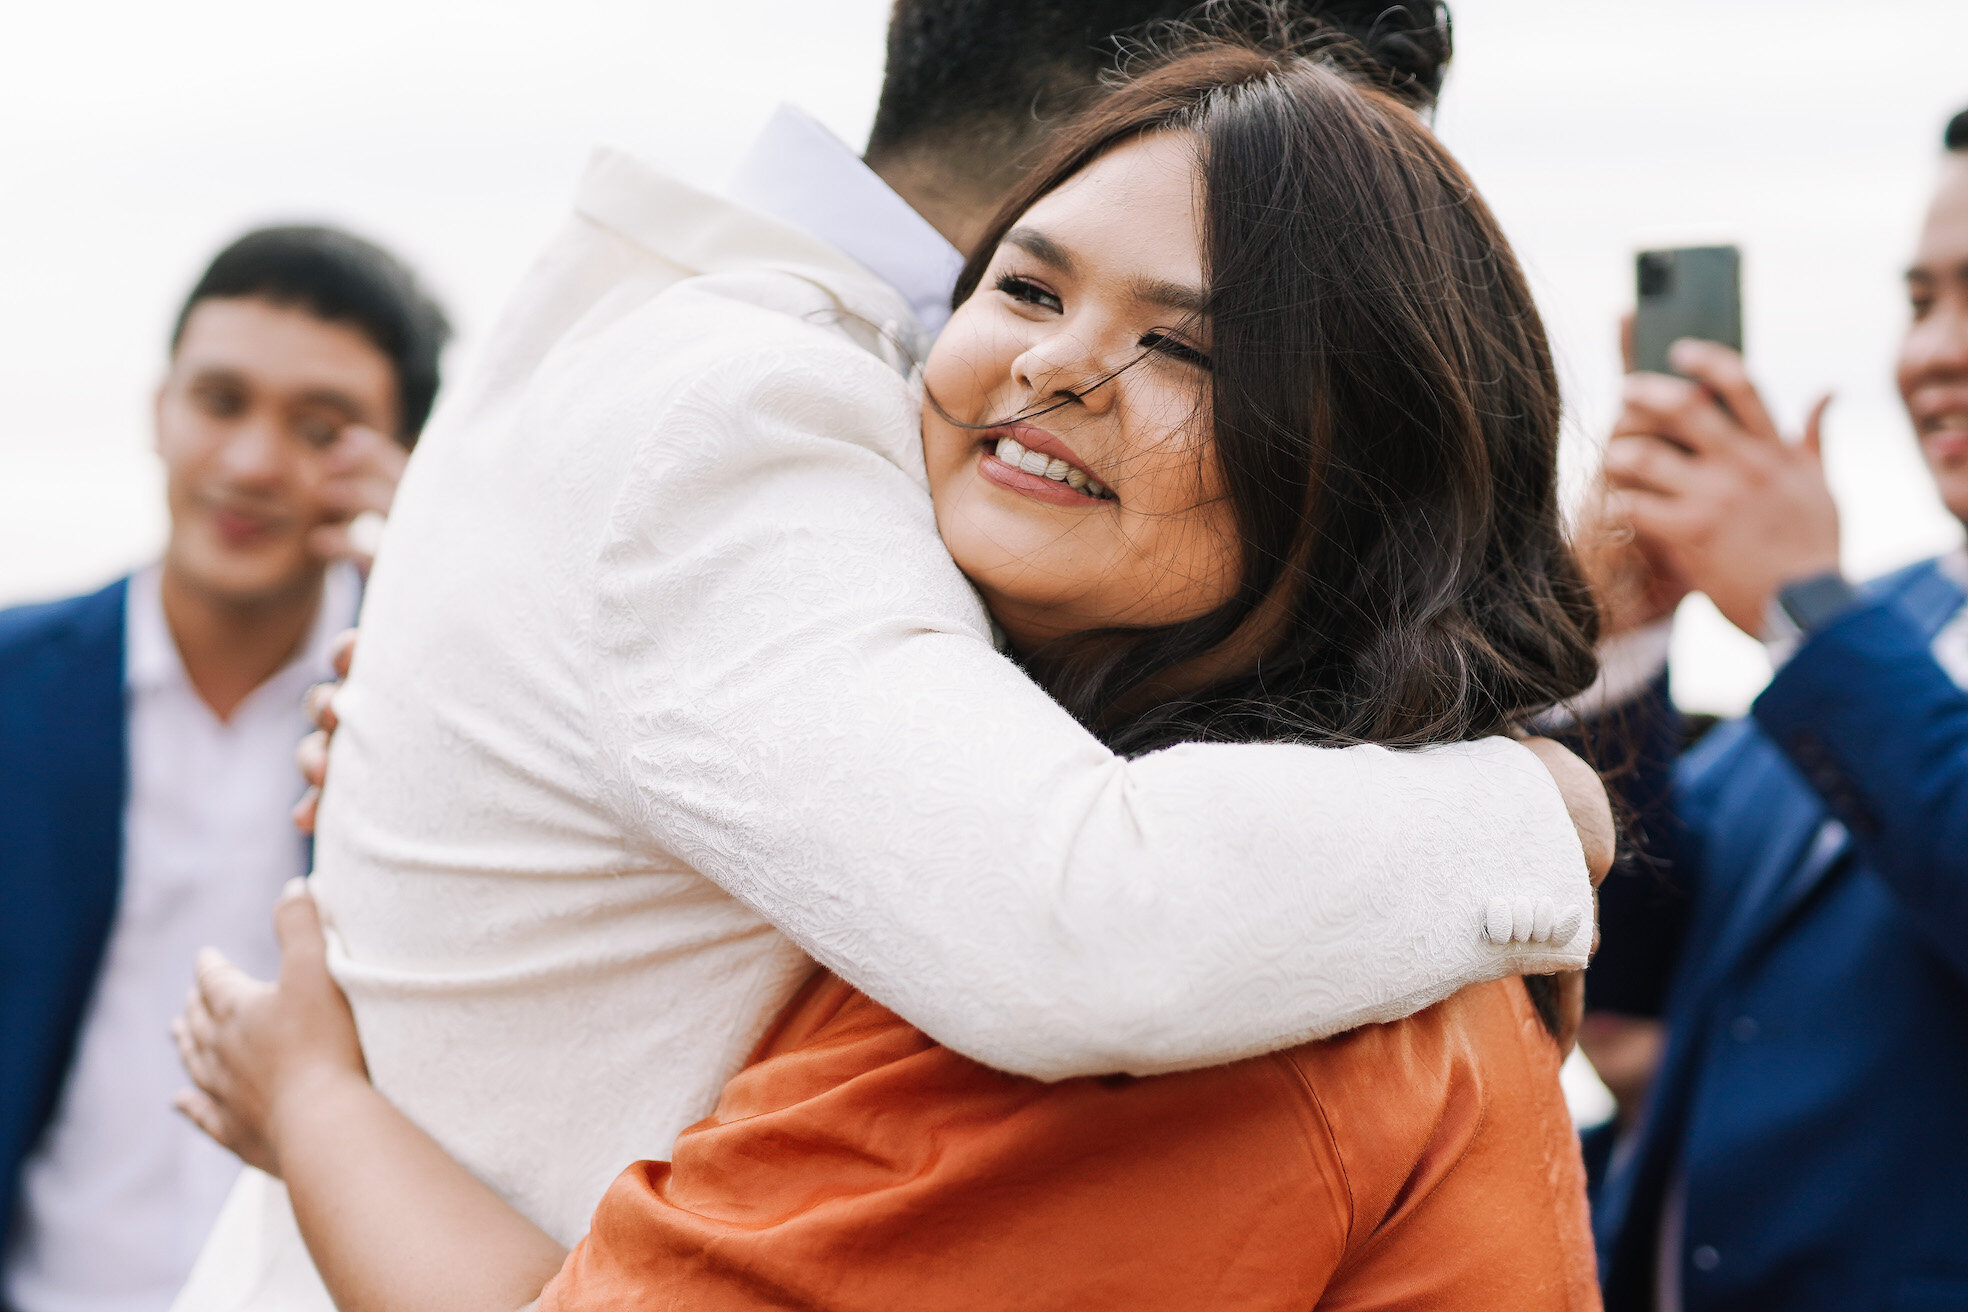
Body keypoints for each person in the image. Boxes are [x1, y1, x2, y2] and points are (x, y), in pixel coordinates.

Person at [174, 4, 1613, 1306]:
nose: (1058, 367)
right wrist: (1527, 806)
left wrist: (316, 1109)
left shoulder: (1270, 976)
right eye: (1032, 291)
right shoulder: (757, 402)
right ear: (1134, 110)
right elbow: (1072, 921)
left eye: (1194, 350)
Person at [0, 226, 446, 1312]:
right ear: (161, 408)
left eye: (320, 427)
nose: (253, 461)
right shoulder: (14, 683)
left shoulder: (434, 710)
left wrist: (438, 563)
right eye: (221, 400)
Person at [1578, 108, 1968, 1310]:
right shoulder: (1889, 620)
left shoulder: (1842, 636)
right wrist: (1621, 646)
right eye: (1919, 301)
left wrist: (1804, 606)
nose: (1932, 353)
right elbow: (1634, 968)